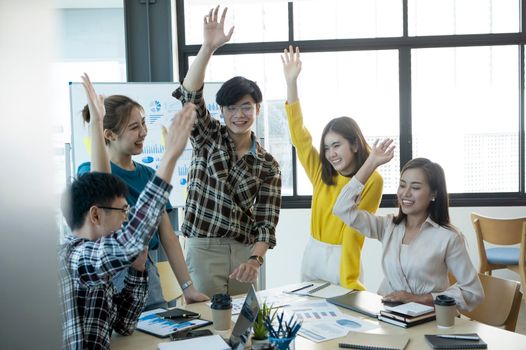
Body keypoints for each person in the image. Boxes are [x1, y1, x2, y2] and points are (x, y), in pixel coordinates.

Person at [59, 102, 197, 349]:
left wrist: (137, 269)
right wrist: (171, 155)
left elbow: (123, 324)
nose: (127, 217)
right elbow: (128, 239)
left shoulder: (99, 270)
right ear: (95, 215)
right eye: (123, 212)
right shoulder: (78, 258)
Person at [172, 5, 282, 297]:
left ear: (257, 108)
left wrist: (255, 259)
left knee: (245, 323)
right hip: (203, 246)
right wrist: (207, 47)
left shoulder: (268, 164)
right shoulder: (208, 136)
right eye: (231, 108)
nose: (239, 114)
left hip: (244, 250)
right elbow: (190, 95)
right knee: (209, 325)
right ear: (221, 111)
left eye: (246, 106)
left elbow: (266, 222)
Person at [77, 74, 208, 309]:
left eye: (144, 123)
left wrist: (188, 288)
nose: (144, 132)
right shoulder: (89, 171)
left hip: (146, 268)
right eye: (134, 127)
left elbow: (168, 235)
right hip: (110, 271)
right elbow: (103, 184)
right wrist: (97, 122)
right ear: (109, 135)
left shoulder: (148, 174)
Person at [333, 140, 484, 311]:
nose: (405, 193)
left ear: (433, 193)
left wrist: (418, 299)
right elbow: (341, 208)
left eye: (416, 187)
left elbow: (473, 292)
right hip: (388, 316)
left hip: (429, 320)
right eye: (402, 185)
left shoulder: (449, 237)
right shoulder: (387, 226)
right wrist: (372, 162)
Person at [281, 46, 383, 289]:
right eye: (327, 147)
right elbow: (299, 136)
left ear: (355, 144)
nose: (331, 154)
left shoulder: (373, 180)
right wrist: (291, 83)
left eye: (336, 145)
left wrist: (349, 280)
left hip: (344, 261)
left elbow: (354, 232)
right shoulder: (321, 171)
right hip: (313, 256)